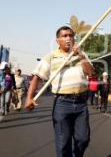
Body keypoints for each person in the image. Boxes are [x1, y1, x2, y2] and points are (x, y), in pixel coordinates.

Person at [24, 26, 95, 157]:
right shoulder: (51, 57)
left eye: (70, 35)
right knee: (63, 142)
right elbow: (37, 77)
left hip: (81, 103)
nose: (68, 38)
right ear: (58, 40)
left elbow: (90, 72)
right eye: (64, 36)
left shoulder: (81, 54)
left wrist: (80, 55)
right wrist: (29, 97)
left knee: (83, 139)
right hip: (62, 103)